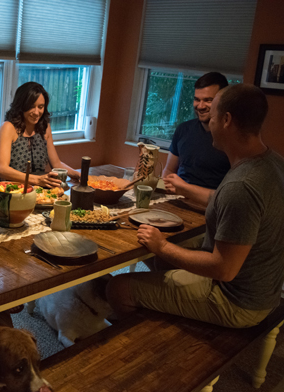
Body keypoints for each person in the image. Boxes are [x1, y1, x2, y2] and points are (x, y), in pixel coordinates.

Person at [107, 84, 284, 329]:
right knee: (163, 261)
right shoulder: (273, 163)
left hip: (236, 300)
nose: (207, 123)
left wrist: (162, 246)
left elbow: (223, 269)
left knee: (118, 287)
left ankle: (151, 345)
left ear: (226, 120)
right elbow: (224, 201)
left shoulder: (242, 185)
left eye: (211, 116)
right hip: (264, 289)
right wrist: (185, 189)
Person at [0, 82, 80, 187]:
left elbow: (56, 164)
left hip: (38, 190)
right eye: (31, 107)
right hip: (10, 190)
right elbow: (2, 170)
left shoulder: (45, 128)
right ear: (21, 106)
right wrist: (37, 180)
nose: (36, 112)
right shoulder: (8, 127)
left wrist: (77, 174)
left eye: (40, 107)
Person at [162, 72, 231, 205]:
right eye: (197, 99)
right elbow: (169, 170)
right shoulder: (183, 129)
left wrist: (184, 189)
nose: (200, 106)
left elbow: (227, 198)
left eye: (208, 100)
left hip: (208, 210)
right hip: (175, 202)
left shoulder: (231, 138)